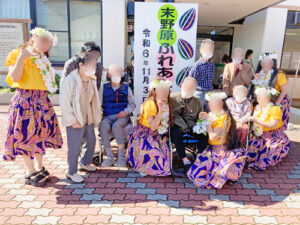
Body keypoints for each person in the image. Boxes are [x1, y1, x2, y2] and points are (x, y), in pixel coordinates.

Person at [3, 27, 63, 187]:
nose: (45, 44)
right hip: (25, 100)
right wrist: (22, 58)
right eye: (42, 40)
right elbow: (13, 77)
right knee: (25, 136)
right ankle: (29, 171)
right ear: (33, 38)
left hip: (42, 101)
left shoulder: (44, 58)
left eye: (48, 42)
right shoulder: (18, 53)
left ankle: (39, 166)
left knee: (41, 136)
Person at [187, 91, 246, 189]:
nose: (212, 104)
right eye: (211, 102)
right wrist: (202, 119)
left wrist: (208, 121)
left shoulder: (224, 118)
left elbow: (212, 137)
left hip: (222, 149)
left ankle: (228, 176)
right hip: (212, 148)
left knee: (212, 172)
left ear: (222, 103)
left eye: (216, 102)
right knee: (196, 172)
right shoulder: (213, 114)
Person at [60, 52, 102, 183]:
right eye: (92, 65)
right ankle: (71, 172)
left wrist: (97, 112)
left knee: (91, 141)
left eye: (95, 66)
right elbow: (65, 102)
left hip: (87, 117)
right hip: (75, 118)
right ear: (81, 65)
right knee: (74, 146)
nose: (94, 68)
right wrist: (72, 120)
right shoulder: (70, 80)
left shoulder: (91, 80)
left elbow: (93, 100)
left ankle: (85, 162)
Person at [127, 78, 173, 176]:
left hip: (159, 134)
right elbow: (152, 127)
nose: (164, 92)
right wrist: (160, 111)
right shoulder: (151, 103)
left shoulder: (167, 101)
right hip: (145, 134)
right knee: (158, 161)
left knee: (165, 160)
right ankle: (143, 165)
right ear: (154, 90)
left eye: (166, 90)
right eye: (161, 90)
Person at [170, 77, 208, 175]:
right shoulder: (172, 98)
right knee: (176, 133)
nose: (189, 89)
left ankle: (199, 159)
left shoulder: (197, 101)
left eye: (192, 88)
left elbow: (200, 119)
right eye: (187, 87)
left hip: (192, 126)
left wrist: (202, 117)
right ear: (182, 85)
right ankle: (185, 160)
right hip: (177, 126)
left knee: (203, 134)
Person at [100, 64, 135, 167]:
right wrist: (100, 112)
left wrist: (126, 112)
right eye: (114, 73)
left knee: (116, 126)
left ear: (122, 74)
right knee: (103, 125)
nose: (116, 75)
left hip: (122, 116)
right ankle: (109, 156)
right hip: (107, 115)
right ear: (109, 75)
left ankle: (121, 157)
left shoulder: (126, 88)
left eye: (118, 73)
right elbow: (98, 102)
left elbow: (132, 104)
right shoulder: (104, 87)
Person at [247, 87, 290, 170]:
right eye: (259, 97)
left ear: (269, 98)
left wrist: (257, 121)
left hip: (275, 136)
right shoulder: (257, 108)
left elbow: (272, 125)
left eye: (263, 97)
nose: (260, 99)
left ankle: (261, 163)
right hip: (260, 135)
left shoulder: (275, 109)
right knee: (250, 151)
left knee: (270, 150)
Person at [251, 52, 290, 130]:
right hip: (263, 99)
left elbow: (283, 90)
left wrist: (277, 103)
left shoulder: (279, 74)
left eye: (268, 62)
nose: (265, 64)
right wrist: (256, 80)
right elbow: (256, 90)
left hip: (278, 98)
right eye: (263, 62)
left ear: (273, 63)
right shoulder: (259, 74)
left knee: (274, 119)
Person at [189, 39, 215, 104]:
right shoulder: (197, 65)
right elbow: (190, 80)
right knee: (198, 112)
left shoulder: (212, 65)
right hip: (198, 93)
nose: (209, 50)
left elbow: (211, 80)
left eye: (211, 49)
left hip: (209, 93)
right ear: (201, 50)